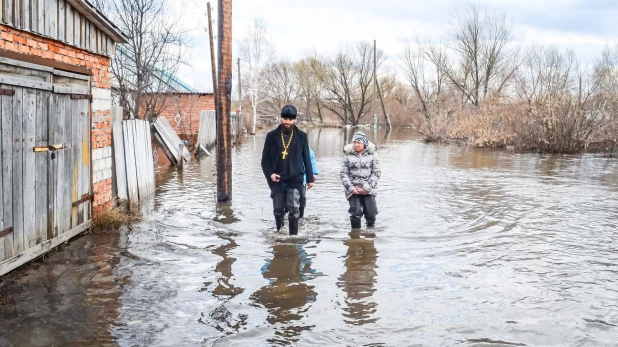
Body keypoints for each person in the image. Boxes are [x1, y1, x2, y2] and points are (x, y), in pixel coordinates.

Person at [261, 105, 314, 235]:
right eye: (285, 119)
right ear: (281, 118)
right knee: (278, 209)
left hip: (295, 178)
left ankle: (293, 237)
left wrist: (310, 178)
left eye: (291, 120)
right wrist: (270, 174)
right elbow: (264, 160)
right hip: (277, 178)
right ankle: (280, 234)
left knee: (294, 208)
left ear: (295, 120)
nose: (288, 122)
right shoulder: (271, 136)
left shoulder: (301, 136)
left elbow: (306, 158)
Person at [340, 131, 381, 229]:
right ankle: (355, 236)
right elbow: (343, 173)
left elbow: (377, 173)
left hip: (368, 188)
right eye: (354, 142)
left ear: (364, 143)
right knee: (355, 214)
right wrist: (351, 188)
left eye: (359, 142)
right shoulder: (348, 155)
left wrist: (366, 187)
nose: (356, 145)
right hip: (353, 189)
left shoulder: (373, 155)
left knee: (371, 214)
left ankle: (370, 231)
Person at [299, 146, 319, 219]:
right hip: (287, 178)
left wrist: (313, 174)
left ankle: (300, 218)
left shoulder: (306, 148)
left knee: (302, 198)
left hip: (302, 178)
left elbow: (311, 160)